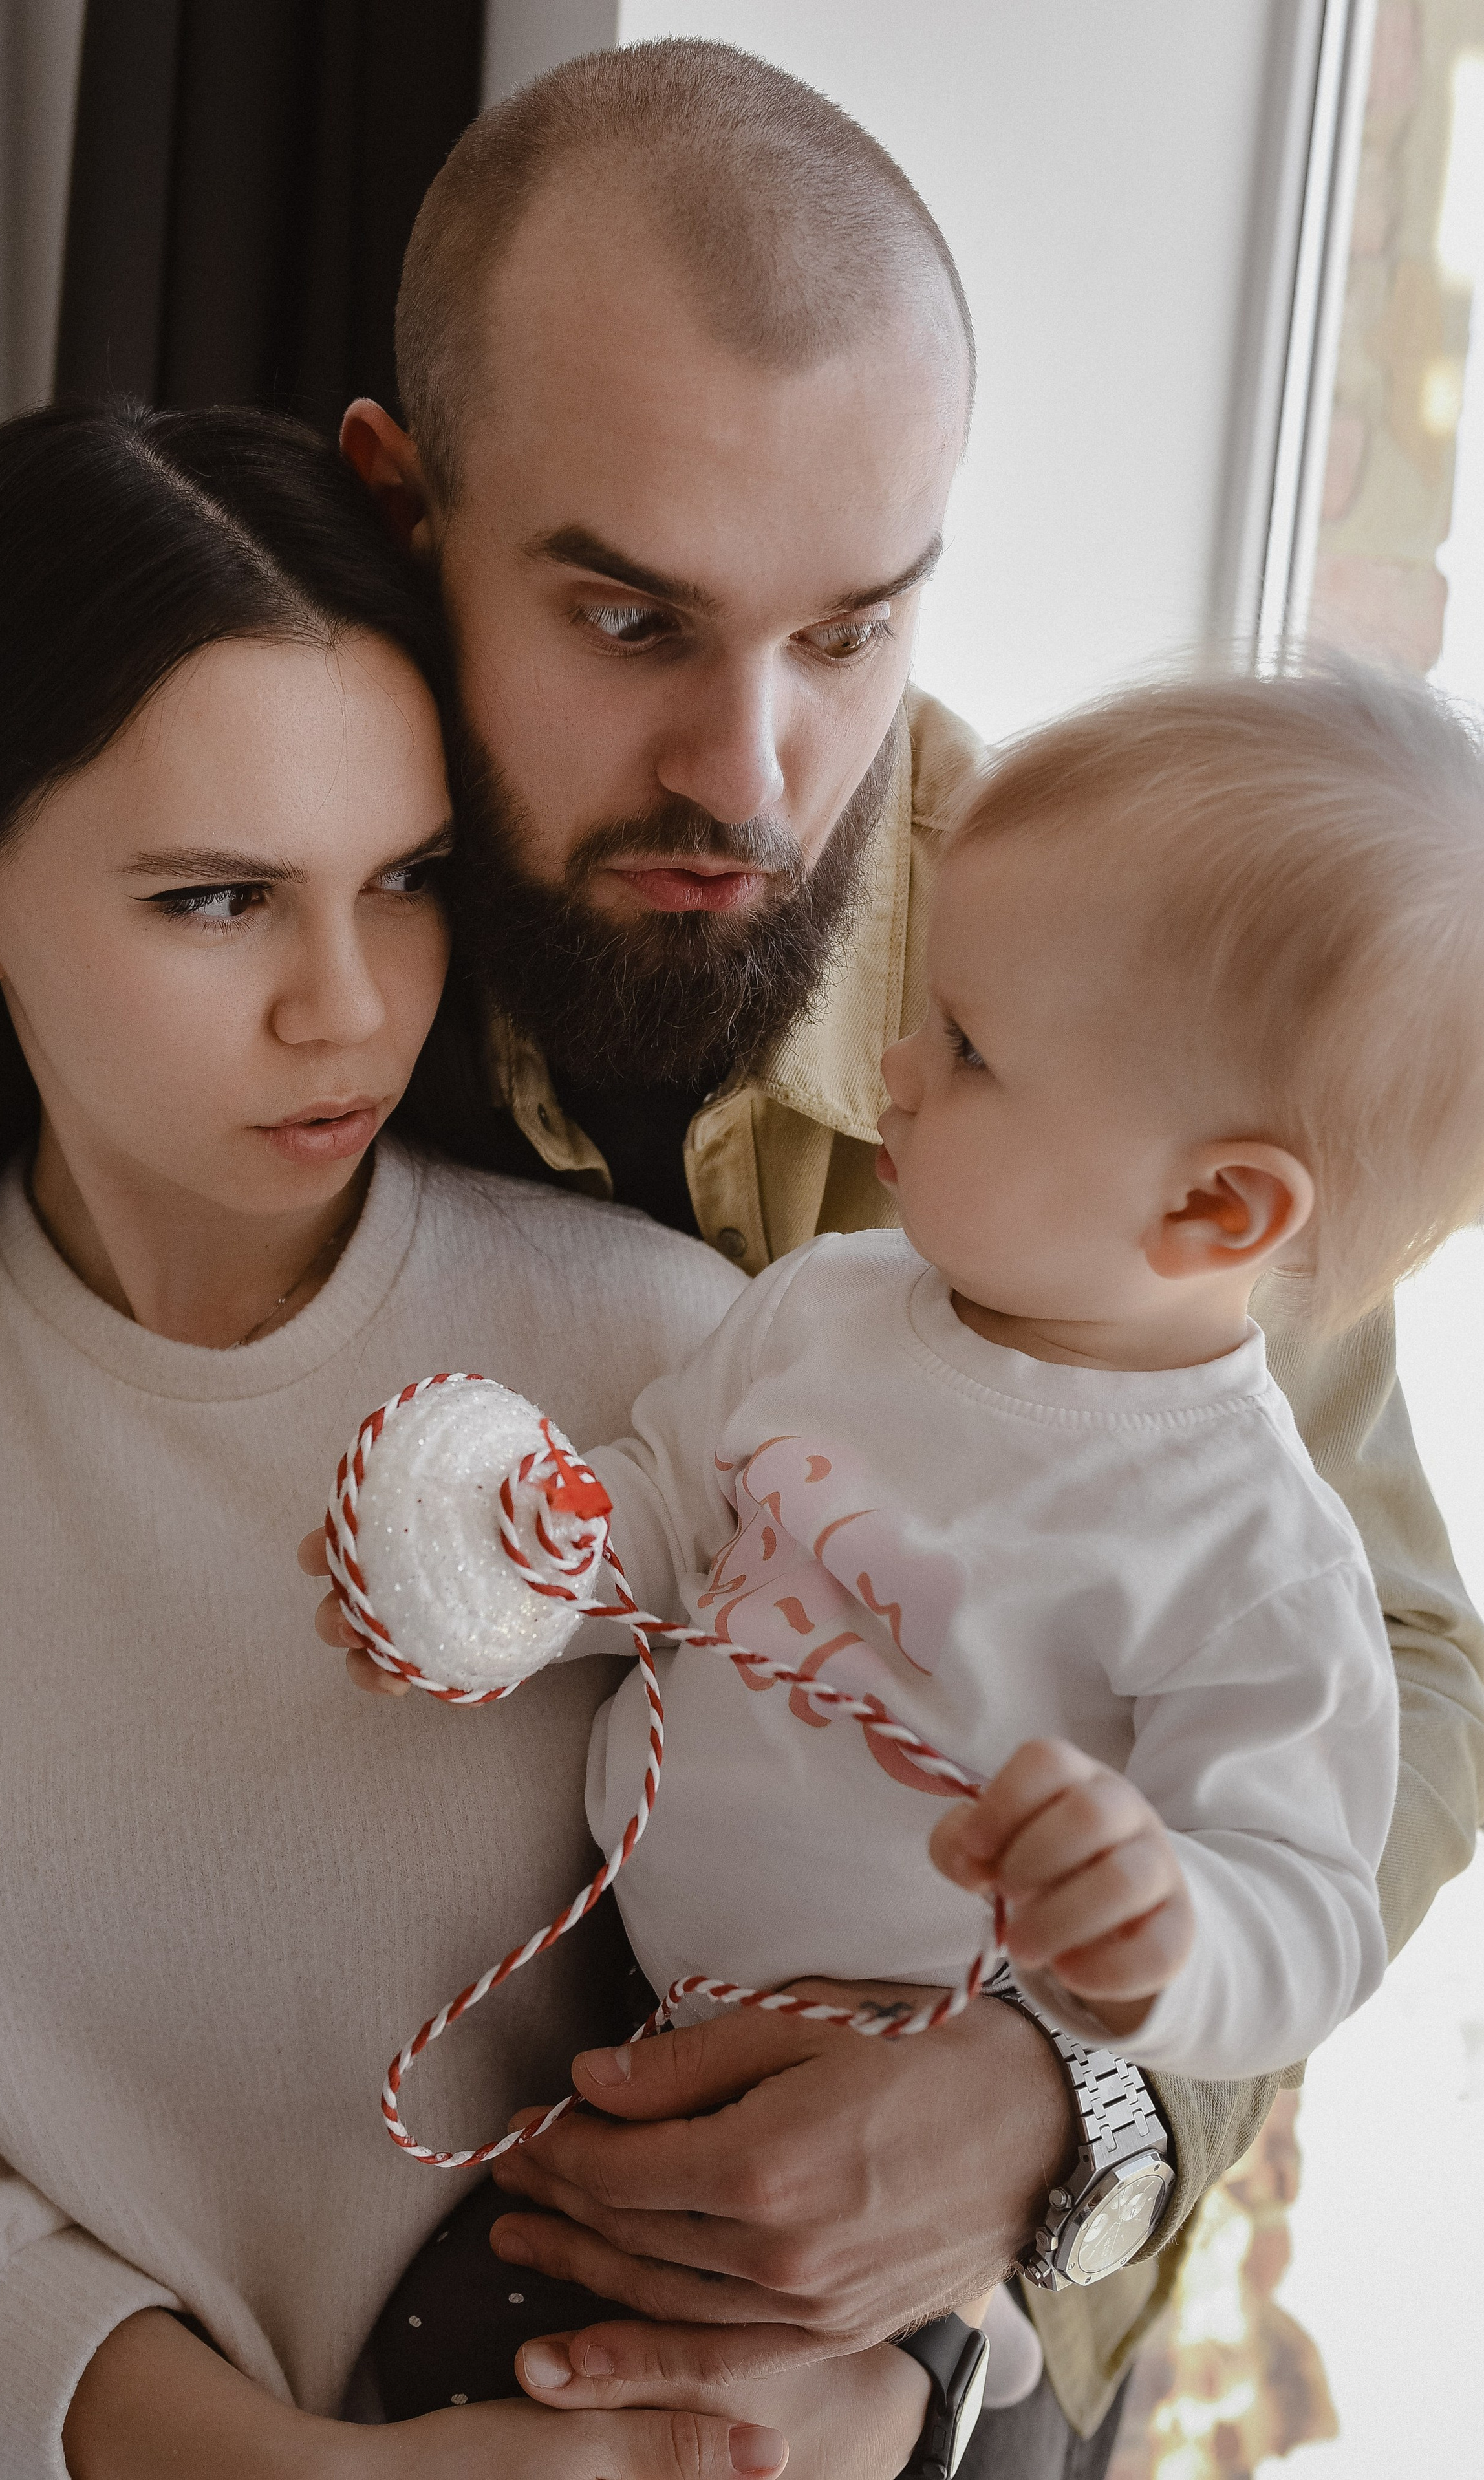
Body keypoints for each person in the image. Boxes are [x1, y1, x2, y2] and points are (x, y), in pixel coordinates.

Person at [333, 36, 1484, 2474]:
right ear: (404, 514)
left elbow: (1402, 1669)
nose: (758, 772)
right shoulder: (231, 881)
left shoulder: (1135, 985)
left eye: (854, 628)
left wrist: (1057, 2111)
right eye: (632, 620)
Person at [0, 398, 936, 2480]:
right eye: (221, 899)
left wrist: (874, 2387)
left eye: (409, 878)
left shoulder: (666, 1360)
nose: (347, 1004)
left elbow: (887, 1945)